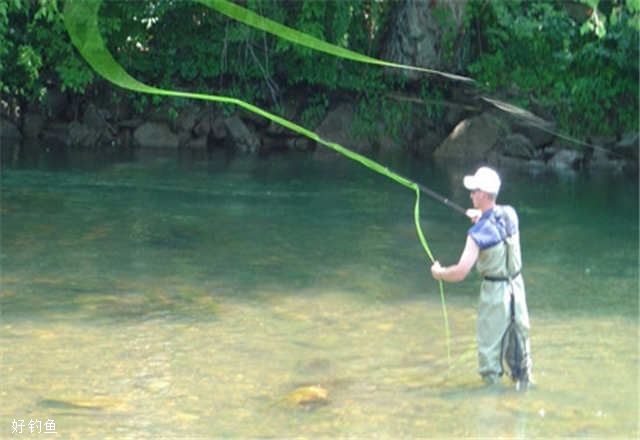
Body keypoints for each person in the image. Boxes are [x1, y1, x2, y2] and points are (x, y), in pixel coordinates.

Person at [430, 166, 532, 389]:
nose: (470, 195)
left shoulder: (476, 235)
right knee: (520, 352)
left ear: (483, 195)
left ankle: (492, 406)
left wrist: (439, 273)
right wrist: (483, 215)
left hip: (495, 296)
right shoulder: (511, 215)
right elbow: (497, 217)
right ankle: (522, 400)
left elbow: (459, 272)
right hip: (517, 290)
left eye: (474, 191)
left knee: (489, 358)